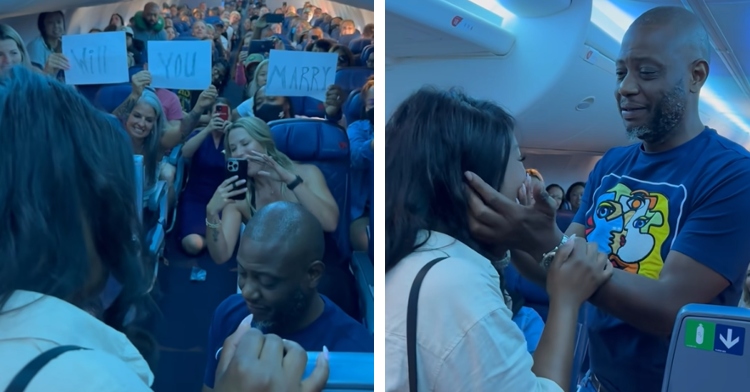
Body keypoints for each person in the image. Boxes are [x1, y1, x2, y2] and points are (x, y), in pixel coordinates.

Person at [463, 6, 750, 392]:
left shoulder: (732, 174)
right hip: (596, 380)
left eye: (646, 72)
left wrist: (548, 240)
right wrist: (516, 236)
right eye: (620, 73)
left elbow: (671, 308)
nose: (625, 87)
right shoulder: (612, 164)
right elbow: (559, 275)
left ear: (696, 76)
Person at [385, 87, 612, 391]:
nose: (528, 180)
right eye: (520, 159)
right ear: (478, 184)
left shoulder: (413, 249)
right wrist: (566, 300)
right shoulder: (458, 286)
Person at [203, 202, 373, 391]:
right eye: (243, 274)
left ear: (313, 274)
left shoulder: (360, 355)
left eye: (267, 281)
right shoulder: (229, 313)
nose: (247, 292)